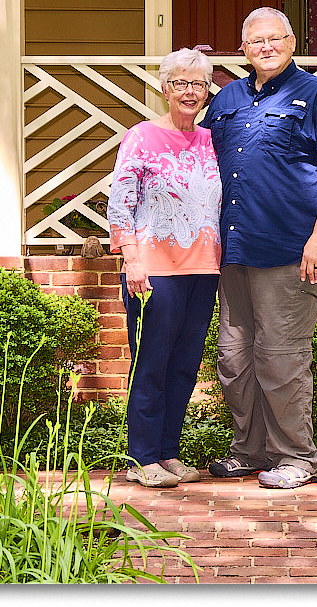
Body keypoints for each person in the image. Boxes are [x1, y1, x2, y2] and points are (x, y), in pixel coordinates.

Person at [201, 7, 317, 489]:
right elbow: (201, 163)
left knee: (282, 356)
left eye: (275, 38)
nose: (266, 47)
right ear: (243, 49)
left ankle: (297, 457)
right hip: (234, 249)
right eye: (255, 41)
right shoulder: (225, 98)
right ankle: (249, 450)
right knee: (234, 357)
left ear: (291, 42)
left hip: (290, 248)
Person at [107, 48, 221, 488]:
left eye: (198, 83)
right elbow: (121, 203)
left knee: (185, 364)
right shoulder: (141, 137)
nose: (190, 92)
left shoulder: (212, 140)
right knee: (151, 362)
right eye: (180, 83)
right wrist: (131, 258)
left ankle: (169, 452)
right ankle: (142, 456)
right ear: (164, 88)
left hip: (203, 269)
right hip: (153, 268)